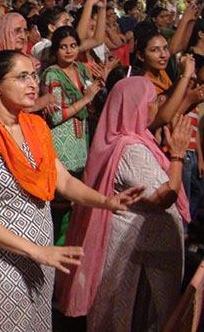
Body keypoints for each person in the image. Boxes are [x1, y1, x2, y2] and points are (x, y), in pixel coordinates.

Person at [0, 50, 142, 332]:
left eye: (33, 75)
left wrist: (106, 201)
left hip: (37, 262)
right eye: (21, 76)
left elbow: (62, 181)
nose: (32, 84)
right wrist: (37, 252)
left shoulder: (35, 126)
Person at [57, 76, 191, 331]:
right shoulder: (131, 149)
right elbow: (163, 197)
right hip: (140, 250)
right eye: (152, 101)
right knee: (135, 317)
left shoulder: (139, 140)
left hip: (147, 249)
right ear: (135, 107)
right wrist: (178, 155)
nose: (156, 106)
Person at [41, 26, 103, 244]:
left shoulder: (82, 69)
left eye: (73, 46)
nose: (69, 51)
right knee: (60, 205)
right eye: (63, 47)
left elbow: (92, 107)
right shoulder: (52, 74)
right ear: (55, 51)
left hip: (80, 144)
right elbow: (56, 117)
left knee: (75, 205)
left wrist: (100, 84)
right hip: (61, 144)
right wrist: (85, 99)